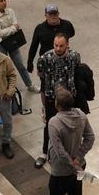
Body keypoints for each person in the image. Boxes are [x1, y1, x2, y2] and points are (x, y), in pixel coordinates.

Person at [35, 88, 95, 195]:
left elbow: (59, 150)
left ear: (57, 105)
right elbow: (90, 137)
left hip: (60, 172)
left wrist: (71, 163)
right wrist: (78, 158)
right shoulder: (81, 116)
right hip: (79, 168)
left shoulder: (54, 122)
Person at [34, 34, 81, 169]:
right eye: (56, 45)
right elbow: (41, 75)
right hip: (52, 98)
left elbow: (76, 70)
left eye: (61, 45)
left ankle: (67, 153)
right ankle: (45, 152)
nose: (58, 48)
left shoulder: (74, 56)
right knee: (50, 124)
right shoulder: (45, 58)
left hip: (69, 99)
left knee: (69, 125)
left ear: (67, 45)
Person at [0, 0, 39, 92]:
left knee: (20, 65)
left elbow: (16, 25)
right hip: (2, 45)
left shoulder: (10, 11)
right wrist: (12, 29)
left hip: (13, 43)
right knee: (4, 68)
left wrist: (9, 29)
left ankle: (29, 85)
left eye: (4, 0)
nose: (4, 2)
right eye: (1, 1)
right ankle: (7, 88)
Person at [26, 4, 76, 72]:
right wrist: (30, 62)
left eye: (55, 13)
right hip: (47, 63)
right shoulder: (40, 28)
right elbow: (34, 46)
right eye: (50, 14)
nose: (53, 16)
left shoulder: (67, 24)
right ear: (45, 15)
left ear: (58, 14)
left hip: (64, 61)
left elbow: (72, 33)